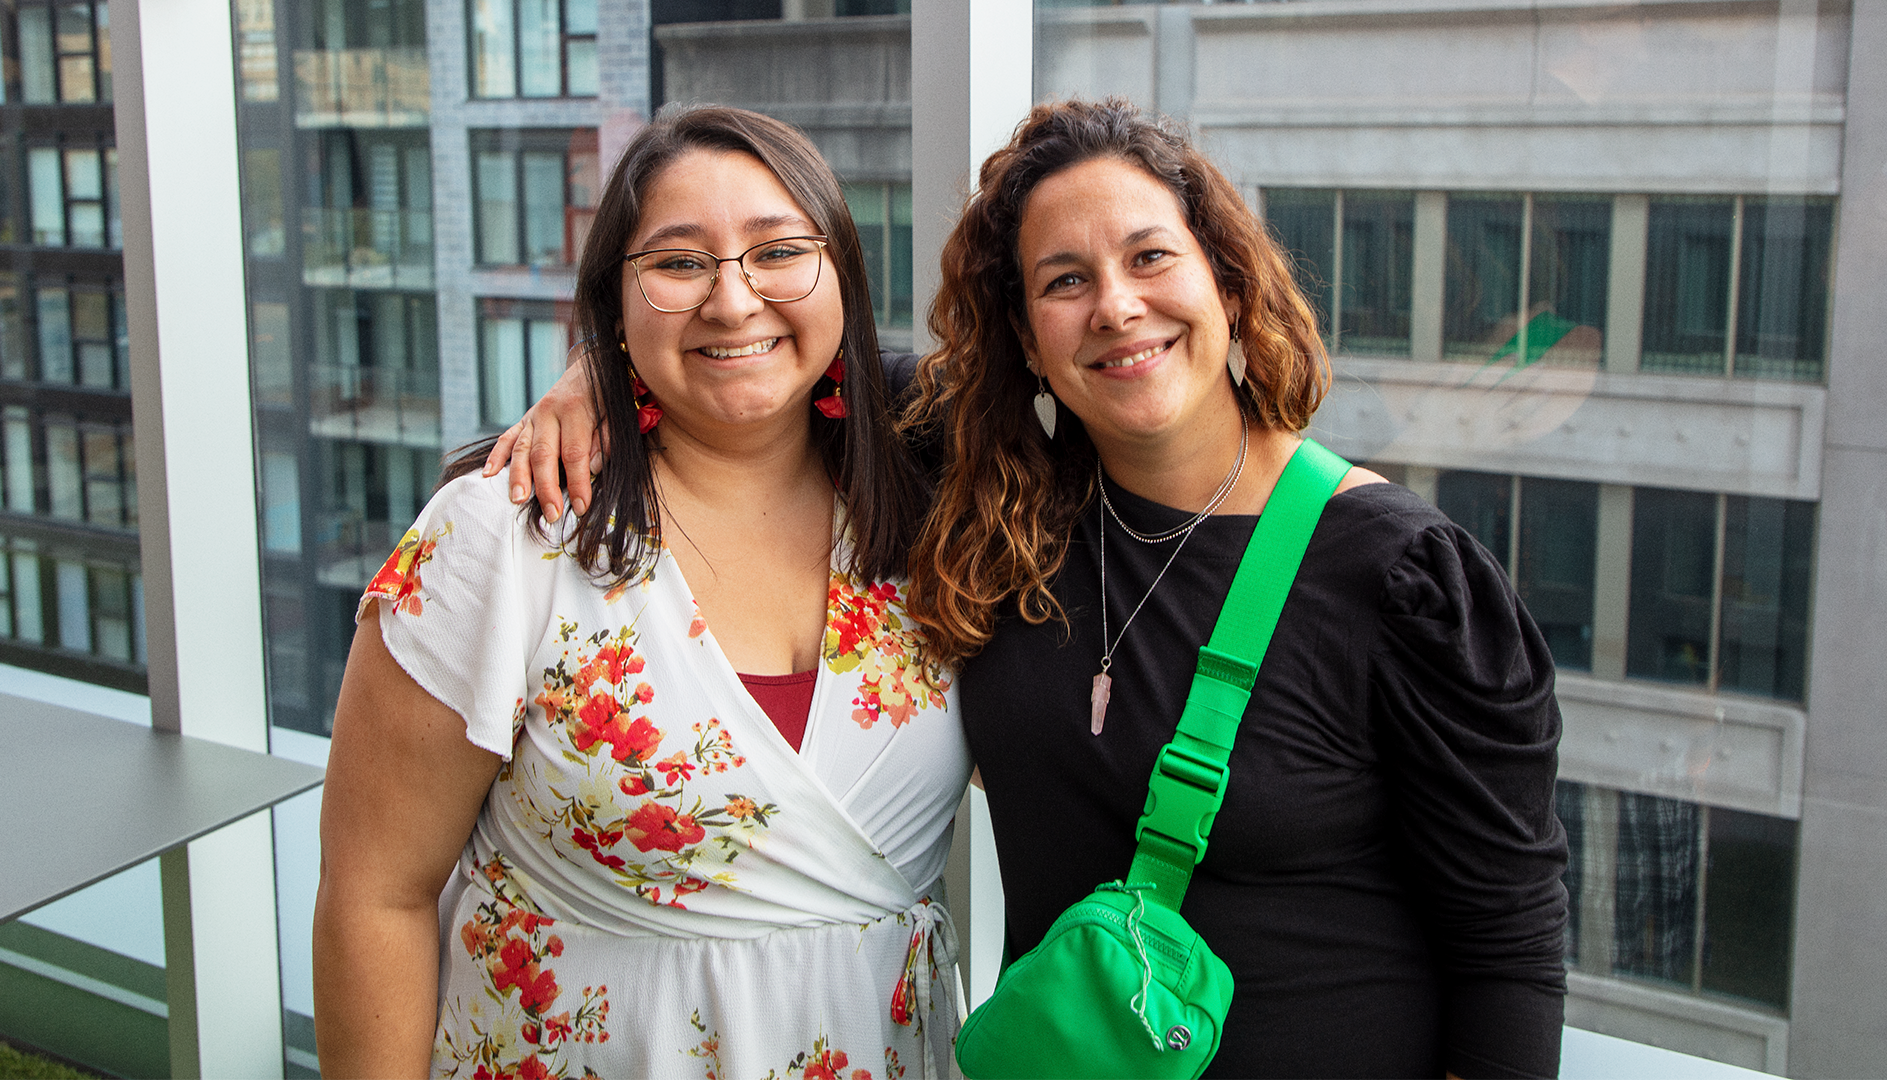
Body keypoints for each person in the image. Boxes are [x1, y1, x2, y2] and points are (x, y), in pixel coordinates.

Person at [497, 98, 1569, 1079]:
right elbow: (759, 354)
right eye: (1064, 280)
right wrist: (597, 368)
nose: (1116, 308)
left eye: (1152, 258)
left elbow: (1510, 946)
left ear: (1229, 287)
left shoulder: (1399, 578)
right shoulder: (996, 494)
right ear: (1025, 334)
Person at [314, 106, 970, 1080]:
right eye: (678, 263)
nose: (733, 300)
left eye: (779, 251)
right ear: (613, 301)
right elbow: (375, 895)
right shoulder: (506, 535)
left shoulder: (937, 512)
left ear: (844, 275)